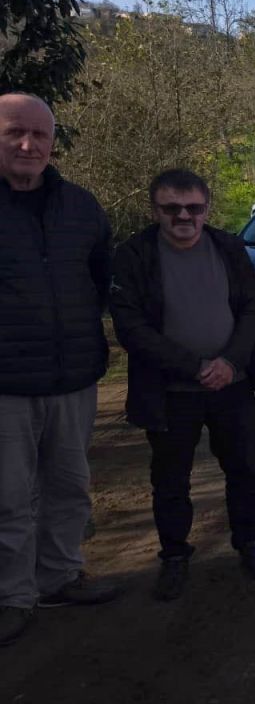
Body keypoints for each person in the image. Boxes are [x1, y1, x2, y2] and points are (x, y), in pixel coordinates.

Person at [110, 169, 255, 600]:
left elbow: (249, 307)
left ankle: (250, 542)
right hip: (169, 391)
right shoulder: (135, 255)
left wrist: (230, 361)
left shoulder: (228, 246)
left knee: (243, 471)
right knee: (171, 480)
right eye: (171, 208)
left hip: (233, 385)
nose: (183, 216)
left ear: (207, 208)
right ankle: (174, 556)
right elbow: (131, 327)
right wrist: (194, 366)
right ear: (155, 210)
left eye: (193, 208)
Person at [0, 93, 119, 646]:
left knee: (69, 487)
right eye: (13, 133)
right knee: (8, 496)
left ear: (52, 141)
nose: (28, 145)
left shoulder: (80, 206)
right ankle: (12, 596)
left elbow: (100, 279)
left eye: (39, 135)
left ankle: (60, 576)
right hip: (5, 385)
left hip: (73, 376)